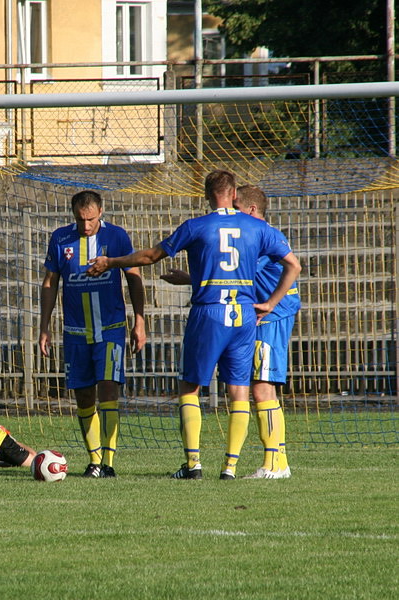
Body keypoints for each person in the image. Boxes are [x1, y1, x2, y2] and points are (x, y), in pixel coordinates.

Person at [88, 170, 301, 480]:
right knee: (240, 390)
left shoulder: (197, 226)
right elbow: (294, 264)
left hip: (210, 313)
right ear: (231, 195)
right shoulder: (257, 227)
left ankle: (194, 465)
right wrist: (268, 303)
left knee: (191, 386)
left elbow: (150, 257)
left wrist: (111, 262)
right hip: (244, 315)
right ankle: (230, 468)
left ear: (206, 196)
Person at [160, 185, 298, 479]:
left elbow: (232, 266)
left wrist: (271, 305)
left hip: (271, 316)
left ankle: (276, 462)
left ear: (249, 210)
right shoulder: (255, 232)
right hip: (256, 314)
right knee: (256, 387)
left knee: (261, 387)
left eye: (235, 207)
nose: (230, 213)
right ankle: (274, 459)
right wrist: (190, 278)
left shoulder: (253, 235)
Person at [38, 190, 146, 478]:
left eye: (91, 219)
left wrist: (139, 320)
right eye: (80, 219)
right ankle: (94, 460)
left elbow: (134, 278)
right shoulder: (60, 238)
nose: (86, 225)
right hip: (75, 332)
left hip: (110, 329)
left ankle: (108, 463)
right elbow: (50, 283)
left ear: (101, 212)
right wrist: (44, 326)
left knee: (108, 388)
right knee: (84, 397)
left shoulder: (117, 237)